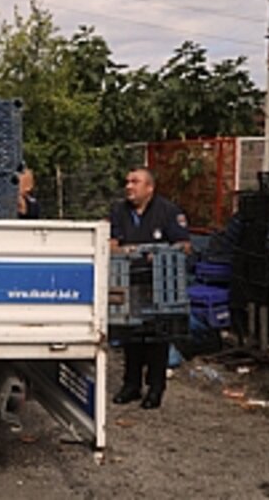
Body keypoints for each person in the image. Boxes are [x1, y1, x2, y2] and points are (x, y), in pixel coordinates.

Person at [110, 167, 191, 410]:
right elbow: (111, 244)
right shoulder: (119, 211)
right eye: (127, 181)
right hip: (129, 282)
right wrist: (128, 251)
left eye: (135, 182)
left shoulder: (167, 211)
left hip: (159, 285)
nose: (129, 186)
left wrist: (159, 253)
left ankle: (155, 389)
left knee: (158, 337)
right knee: (130, 335)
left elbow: (184, 246)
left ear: (149, 187)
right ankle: (131, 385)